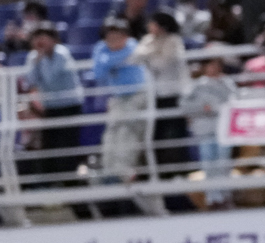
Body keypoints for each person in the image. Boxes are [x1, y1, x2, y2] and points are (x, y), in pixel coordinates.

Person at [22, 25, 84, 183]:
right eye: (36, 37)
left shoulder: (63, 54)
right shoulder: (33, 57)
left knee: (66, 147)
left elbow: (50, 78)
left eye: (43, 37)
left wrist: (39, 59)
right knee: (50, 148)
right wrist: (37, 60)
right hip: (50, 108)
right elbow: (30, 81)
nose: (39, 41)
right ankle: (54, 185)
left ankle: (72, 185)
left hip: (69, 107)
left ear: (54, 39)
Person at [91, 19, 150, 184]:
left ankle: (124, 173)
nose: (114, 38)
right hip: (118, 98)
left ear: (125, 35)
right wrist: (114, 61)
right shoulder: (101, 47)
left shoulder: (133, 46)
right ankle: (109, 173)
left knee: (127, 132)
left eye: (118, 34)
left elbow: (108, 62)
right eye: (110, 34)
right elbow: (98, 73)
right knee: (111, 134)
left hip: (138, 96)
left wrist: (109, 61)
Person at [136, 11, 190, 176]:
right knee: (155, 134)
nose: (149, 26)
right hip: (154, 95)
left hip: (173, 94)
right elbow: (137, 56)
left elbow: (163, 63)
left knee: (176, 133)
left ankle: (180, 170)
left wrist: (150, 56)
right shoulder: (147, 40)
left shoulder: (174, 41)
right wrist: (151, 54)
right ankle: (157, 171)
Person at [185, 54, 235, 193]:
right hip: (205, 131)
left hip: (224, 130)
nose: (214, 68)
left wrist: (215, 107)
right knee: (208, 165)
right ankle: (213, 198)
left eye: (216, 64)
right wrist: (201, 107)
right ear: (205, 67)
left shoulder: (227, 83)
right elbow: (185, 105)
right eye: (210, 64)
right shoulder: (196, 85)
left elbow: (234, 104)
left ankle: (226, 197)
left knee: (224, 164)